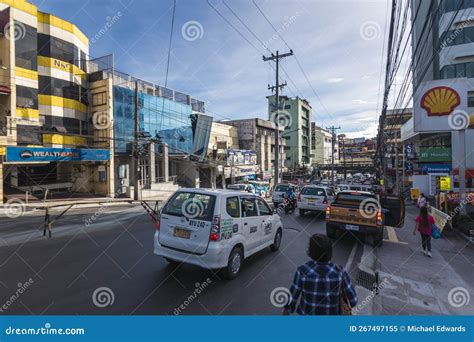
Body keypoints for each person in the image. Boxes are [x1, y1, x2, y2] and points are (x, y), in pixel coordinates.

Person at [283, 234, 357, 315]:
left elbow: (292, 298)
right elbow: (353, 300)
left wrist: (287, 310)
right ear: (330, 251)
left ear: (310, 251)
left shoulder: (302, 271)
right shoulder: (340, 272)